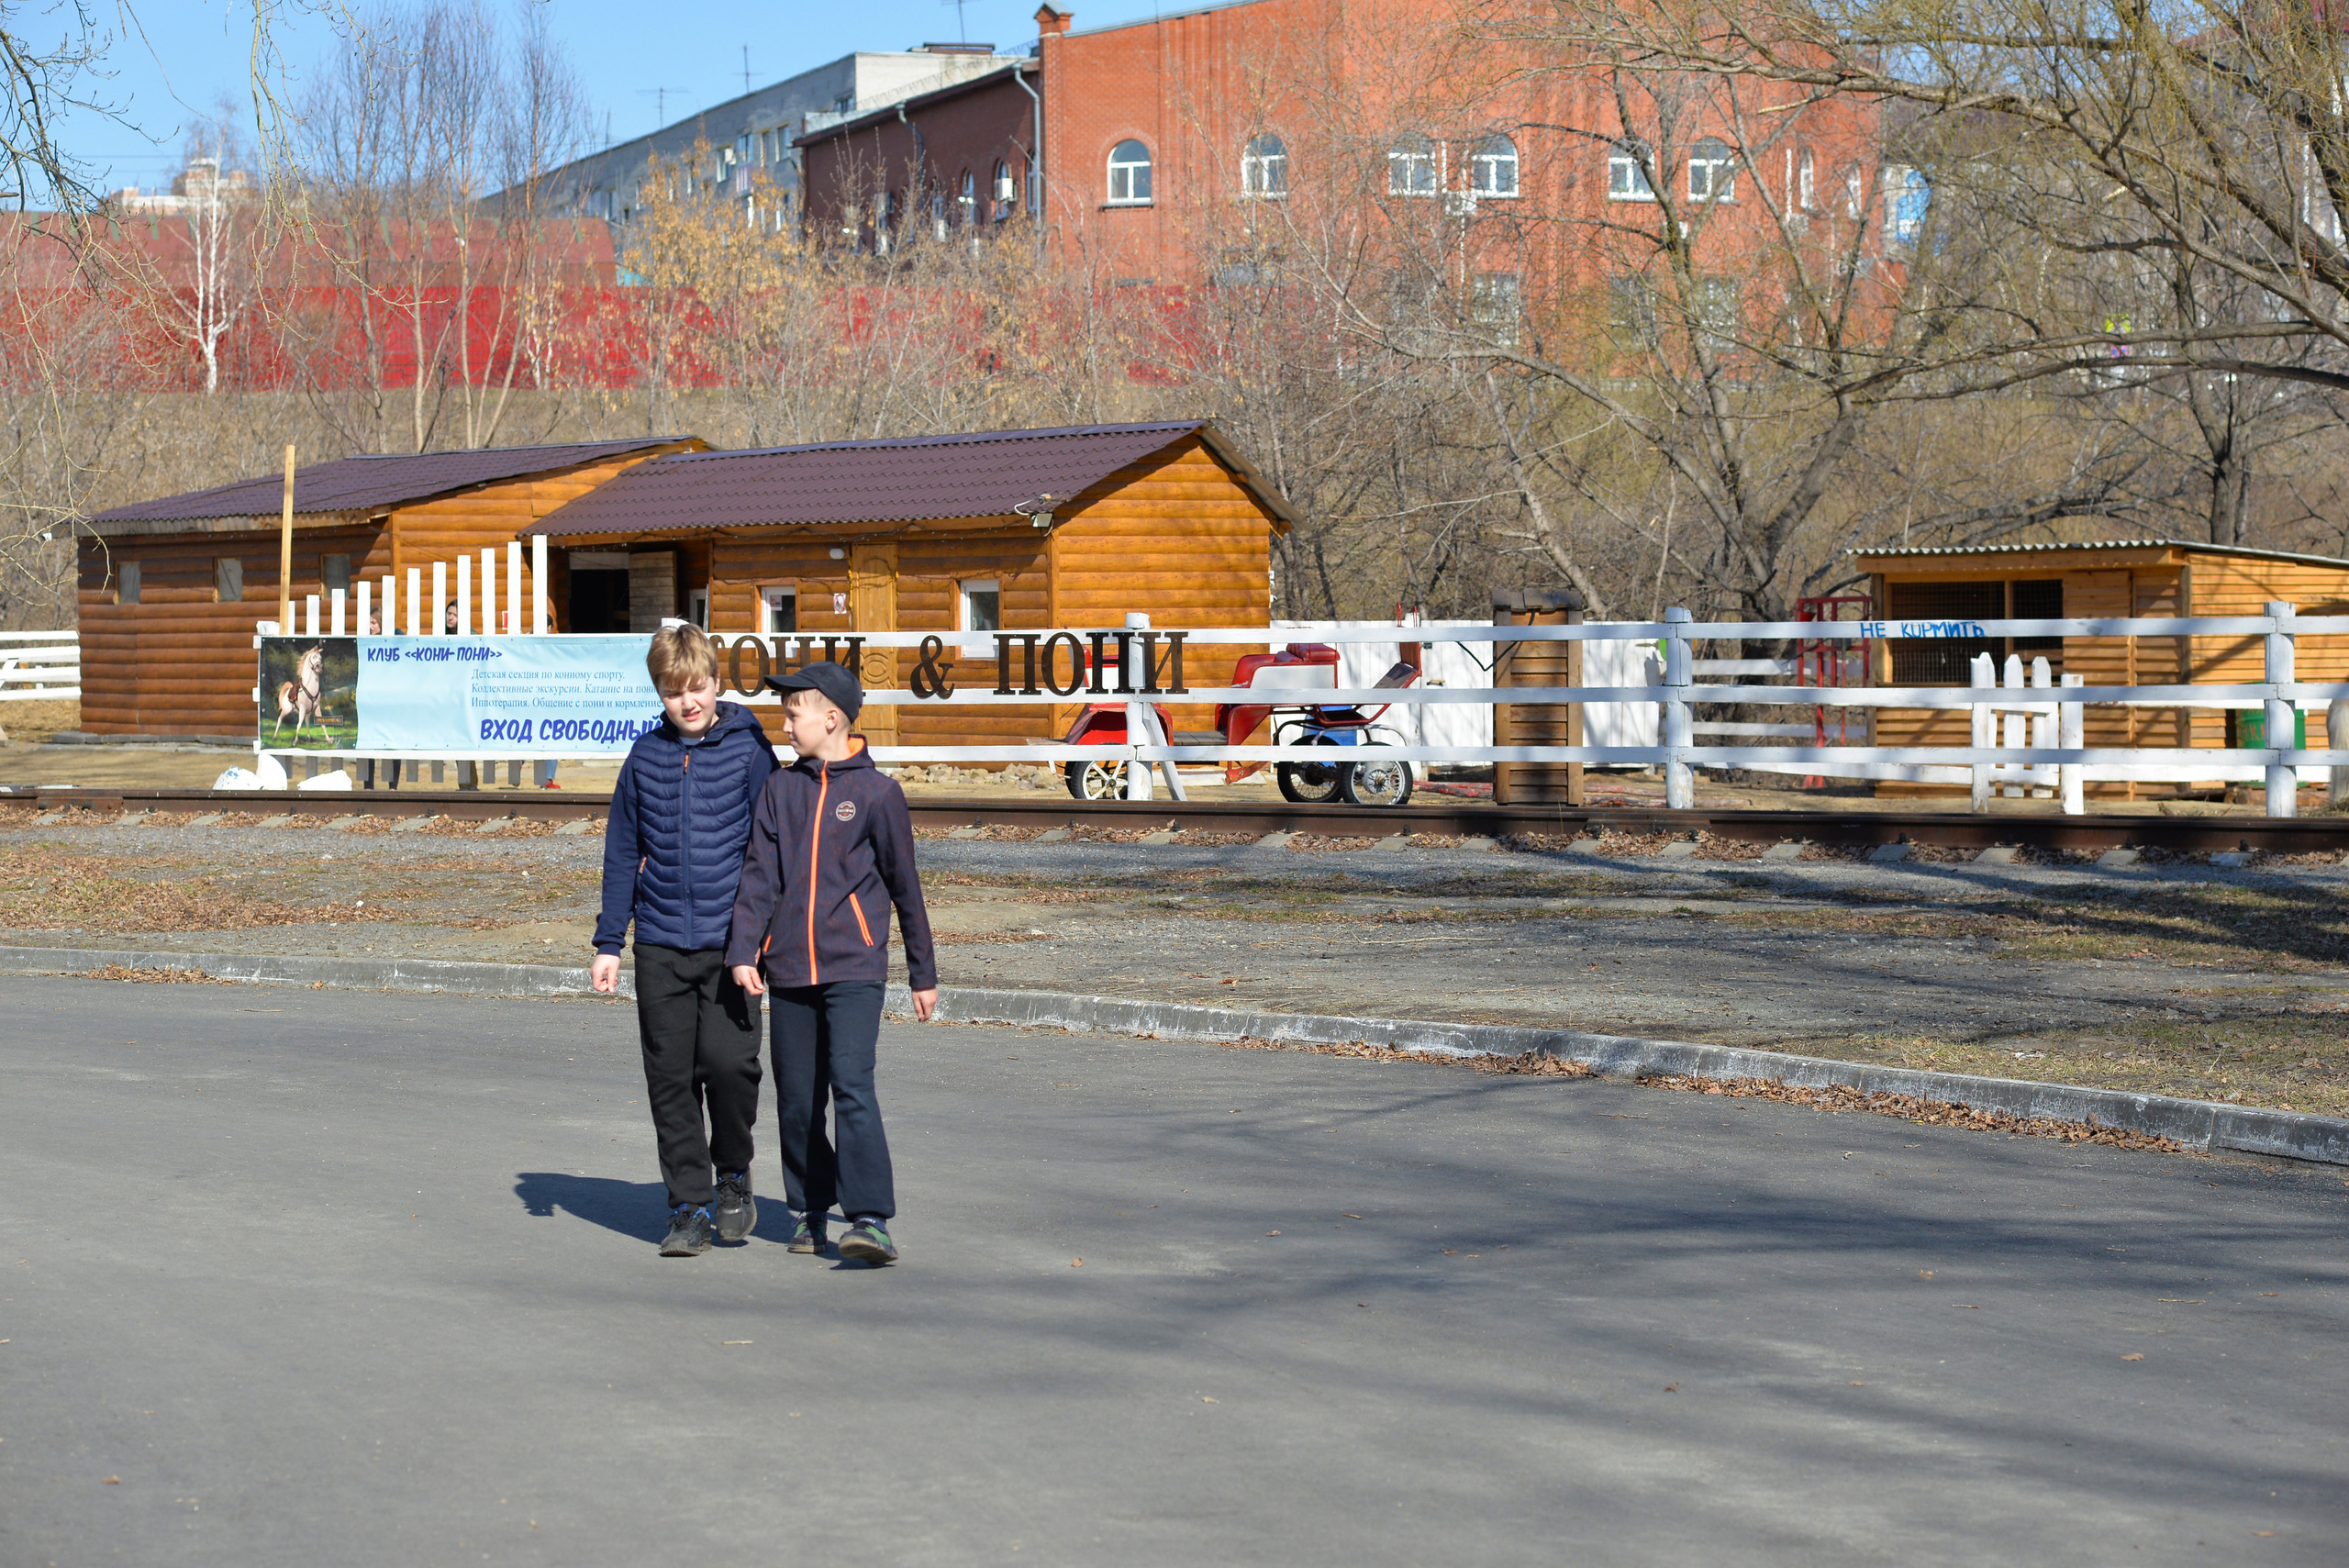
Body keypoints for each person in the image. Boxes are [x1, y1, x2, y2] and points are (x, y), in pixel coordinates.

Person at [728, 661, 937, 1266]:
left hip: (854, 969)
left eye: (794, 712)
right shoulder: (780, 790)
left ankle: (870, 1218)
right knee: (796, 1099)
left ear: (832, 717)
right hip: (789, 967)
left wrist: (923, 973)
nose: (785, 723)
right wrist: (744, 949)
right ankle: (810, 1207)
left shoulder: (878, 795)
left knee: (851, 1085)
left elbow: (906, 888)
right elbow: (758, 877)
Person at [592, 625, 780, 1257]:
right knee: (670, 1079)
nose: (687, 702)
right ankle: (689, 1205)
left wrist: (761, 937)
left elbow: (771, 846)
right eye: (673, 692)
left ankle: (733, 1173)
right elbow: (623, 852)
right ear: (660, 694)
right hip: (662, 945)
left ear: (717, 683)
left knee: (730, 1067)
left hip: (732, 947)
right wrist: (609, 942)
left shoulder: (751, 748)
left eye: (696, 687)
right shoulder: (644, 757)